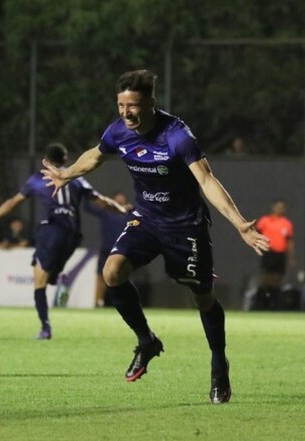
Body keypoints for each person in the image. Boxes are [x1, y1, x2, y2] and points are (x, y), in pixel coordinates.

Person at [41, 70, 269, 404]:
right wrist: (67, 173)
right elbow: (96, 155)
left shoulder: (177, 135)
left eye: (132, 106)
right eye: (121, 105)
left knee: (202, 297)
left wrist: (238, 224)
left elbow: (206, 181)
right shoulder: (119, 132)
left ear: (150, 103)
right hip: (147, 219)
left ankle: (219, 363)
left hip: (185, 225)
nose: (125, 113)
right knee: (112, 271)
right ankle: (146, 340)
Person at [0, 143, 126, 340]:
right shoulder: (77, 177)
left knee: (39, 281)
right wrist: (122, 209)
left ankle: (45, 328)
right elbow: (101, 201)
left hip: (52, 229)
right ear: (66, 159)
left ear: (47, 161)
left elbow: (13, 202)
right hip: (73, 235)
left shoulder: (38, 178)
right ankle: (57, 276)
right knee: (50, 273)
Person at [85, 191, 132, 307]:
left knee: (121, 277)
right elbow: (87, 208)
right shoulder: (106, 212)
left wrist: (131, 209)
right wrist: (86, 193)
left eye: (122, 200)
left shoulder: (128, 214)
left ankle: (123, 303)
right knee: (100, 276)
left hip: (121, 251)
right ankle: (98, 301)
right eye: (117, 200)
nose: (120, 202)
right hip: (106, 249)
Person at [251, 198, 295, 309]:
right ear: (273, 207)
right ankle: (259, 305)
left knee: (277, 279)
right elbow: (256, 234)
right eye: (278, 206)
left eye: (282, 207)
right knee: (265, 279)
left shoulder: (287, 224)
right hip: (268, 253)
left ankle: (274, 305)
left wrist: (291, 257)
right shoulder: (265, 221)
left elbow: (289, 241)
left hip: (280, 255)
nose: (280, 209)